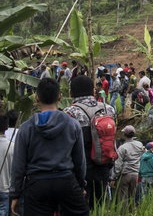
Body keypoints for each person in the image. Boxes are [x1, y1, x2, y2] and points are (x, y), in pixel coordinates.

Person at [10, 78, 87, 216]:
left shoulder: (26, 128)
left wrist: (15, 194)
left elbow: (18, 165)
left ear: (37, 98)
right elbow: (80, 161)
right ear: (60, 96)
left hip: (37, 184)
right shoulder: (73, 125)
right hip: (66, 181)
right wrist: (80, 185)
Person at [62, 75, 116, 209]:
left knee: (81, 207)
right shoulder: (108, 109)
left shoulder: (70, 112)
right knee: (100, 205)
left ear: (71, 92)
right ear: (93, 91)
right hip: (104, 166)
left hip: (81, 170)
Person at [112, 125, 144, 211]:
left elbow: (118, 164)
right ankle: (132, 212)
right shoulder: (139, 144)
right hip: (135, 174)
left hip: (125, 175)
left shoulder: (122, 148)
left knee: (123, 198)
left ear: (124, 135)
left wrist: (114, 177)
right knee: (132, 197)